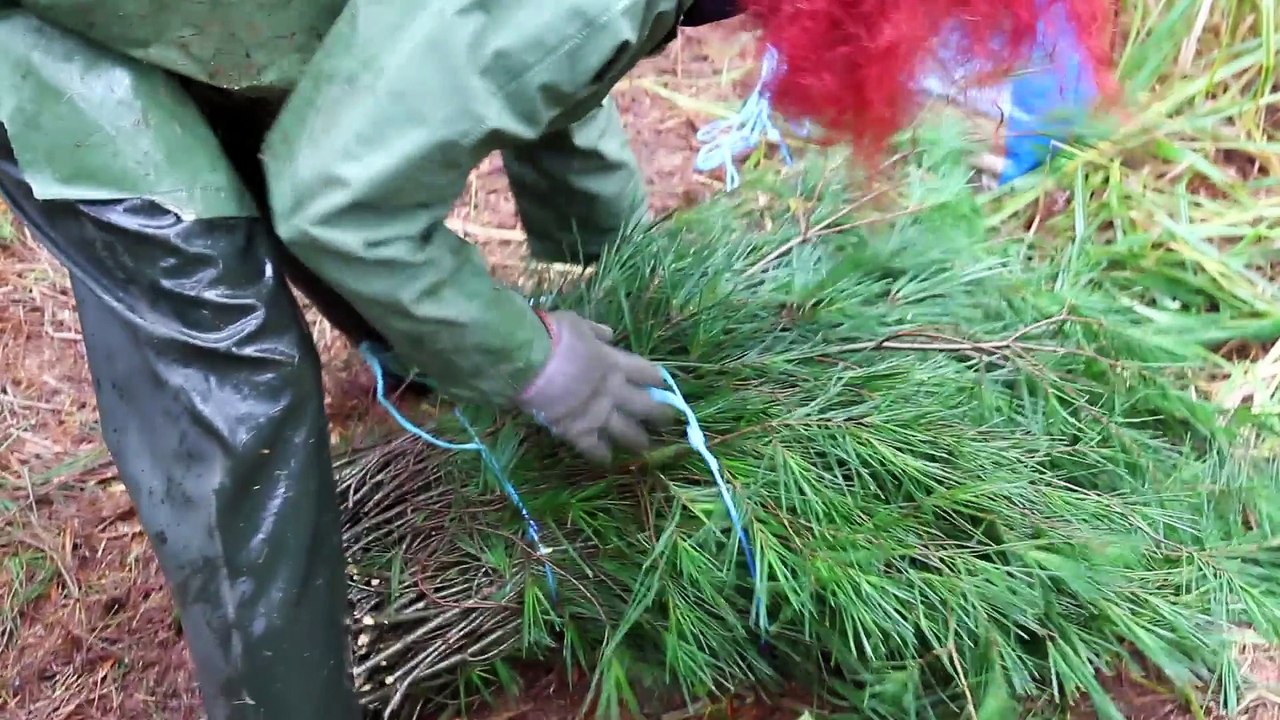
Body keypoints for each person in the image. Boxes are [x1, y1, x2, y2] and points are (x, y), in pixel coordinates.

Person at [0, 0, 1111, 717]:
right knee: (233, 378)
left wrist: (623, 272)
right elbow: (346, 194)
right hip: (51, 38)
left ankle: (450, 420)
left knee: (355, 200)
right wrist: (543, 368)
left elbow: (531, 69)